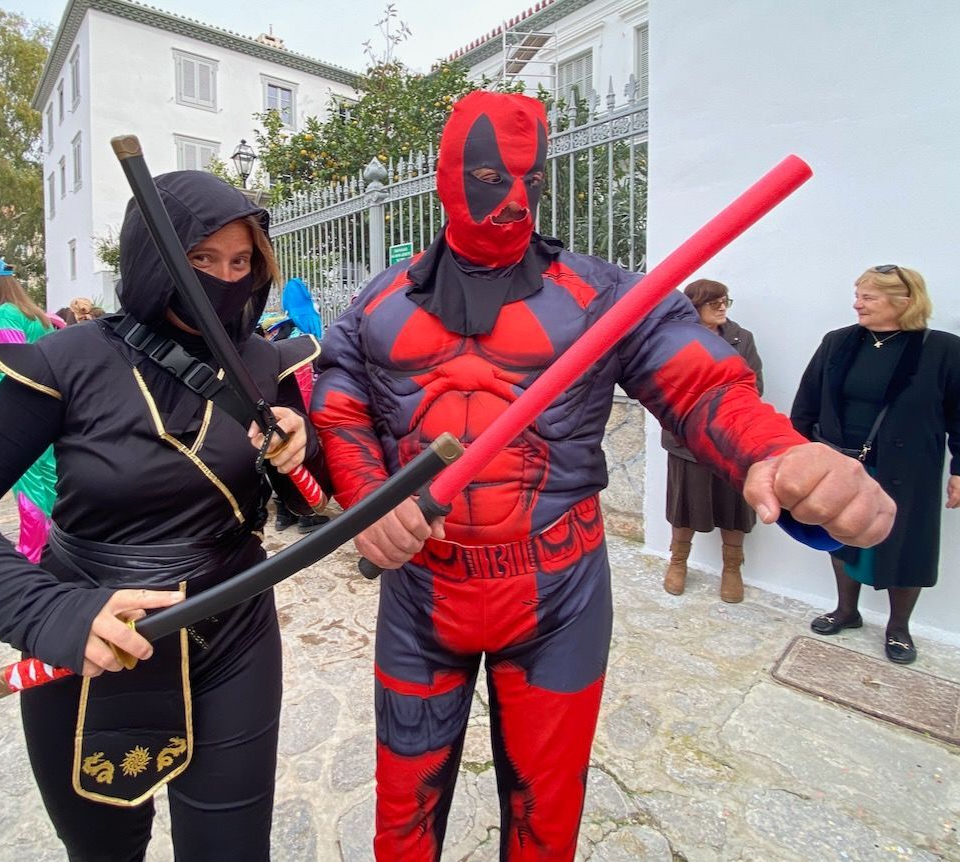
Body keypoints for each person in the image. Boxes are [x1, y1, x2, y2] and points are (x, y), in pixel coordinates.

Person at [311, 90, 894, 862]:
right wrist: (369, 500)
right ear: (447, 178)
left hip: (557, 590)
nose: (514, 200)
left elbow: (704, 384)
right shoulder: (378, 301)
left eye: (531, 179)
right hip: (425, 585)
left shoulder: (606, 299)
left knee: (547, 812)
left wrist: (777, 452)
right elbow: (340, 403)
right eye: (488, 177)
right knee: (404, 808)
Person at [0, 170, 325, 860]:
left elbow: (308, 501)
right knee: (103, 851)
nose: (227, 278)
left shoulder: (264, 361)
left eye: (242, 262)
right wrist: (48, 614)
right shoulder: (69, 360)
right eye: (203, 260)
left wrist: (297, 453)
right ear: (156, 262)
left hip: (234, 628)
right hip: (93, 637)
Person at [791, 264, 960, 664]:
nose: (857, 303)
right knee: (841, 539)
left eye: (868, 297)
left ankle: (898, 628)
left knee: (906, 546)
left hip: (906, 470)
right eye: (858, 294)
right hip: (841, 464)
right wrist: (796, 451)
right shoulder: (837, 343)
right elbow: (807, 401)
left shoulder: (944, 351)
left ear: (904, 301)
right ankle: (847, 612)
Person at [661, 279, 763, 602]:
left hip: (731, 439)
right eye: (713, 302)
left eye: (725, 301)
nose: (722, 307)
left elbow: (753, 385)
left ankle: (732, 568)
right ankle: (678, 562)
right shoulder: (675, 338)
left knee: (734, 506)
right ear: (694, 306)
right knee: (683, 507)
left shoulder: (741, 338)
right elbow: (666, 386)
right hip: (686, 439)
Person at [0, 258, 59, 563]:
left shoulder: (5, 314)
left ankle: (33, 556)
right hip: (48, 408)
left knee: (29, 485)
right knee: (51, 480)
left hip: (22, 412)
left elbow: (12, 366)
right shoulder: (37, 316)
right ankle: (56, 548)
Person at [264, 277, 329, 534]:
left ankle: (283, 514)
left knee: (275, 453)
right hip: (302, 405)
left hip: (272, 404)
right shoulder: (309, 331)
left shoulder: (278, 330)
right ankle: (307, 517)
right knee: (297, 452)